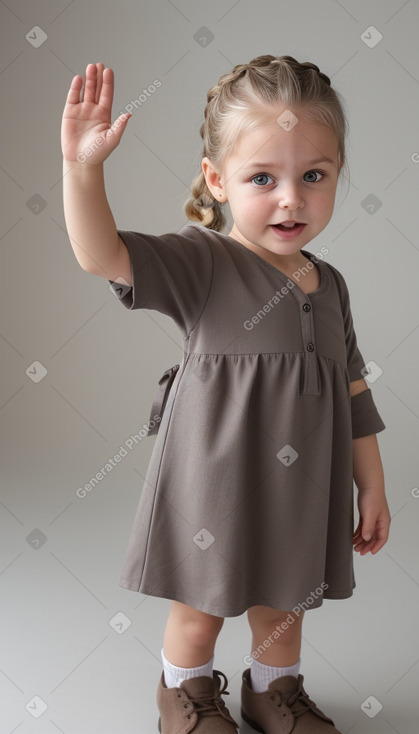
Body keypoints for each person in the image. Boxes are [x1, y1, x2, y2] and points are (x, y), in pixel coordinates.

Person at [61, 54, 391, 734]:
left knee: (286, 602)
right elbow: (101, 255)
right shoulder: (203, 262)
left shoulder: (327, 286)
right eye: (262, 178)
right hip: (213, 483)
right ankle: (184, 692)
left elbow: (352, 386)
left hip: (303, 487)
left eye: (313, 177)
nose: (290, 198)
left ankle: (274, 691)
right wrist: (82, 168)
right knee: (200, 602)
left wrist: (372, 486)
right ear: (217, 180)